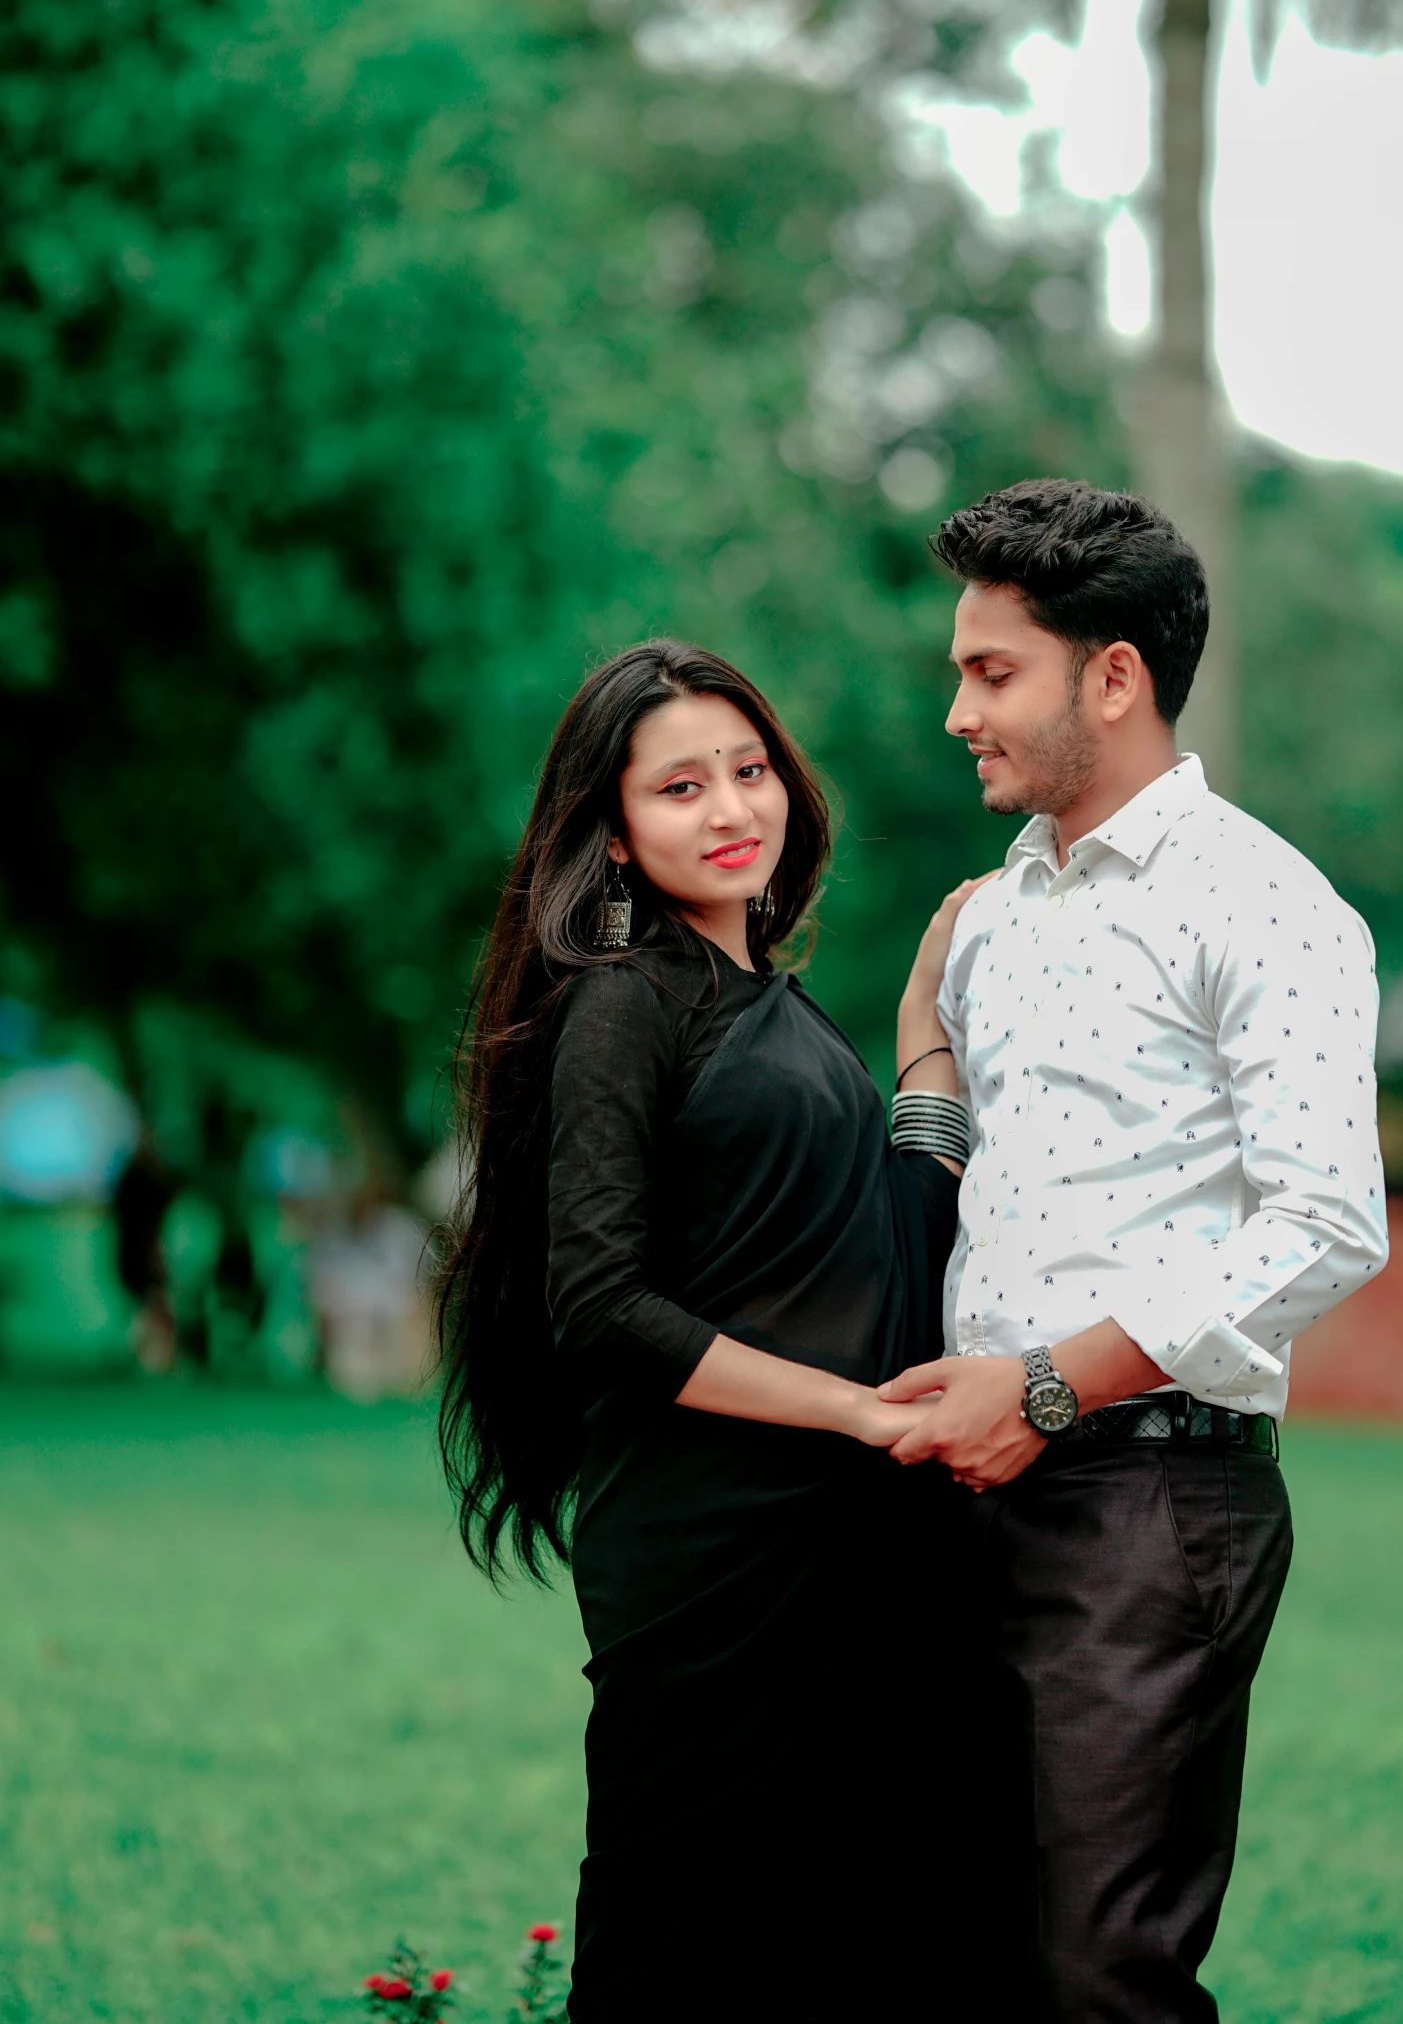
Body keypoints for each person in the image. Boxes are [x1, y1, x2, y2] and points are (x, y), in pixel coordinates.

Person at [434, 639, 1026, 2022]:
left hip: (838, 1548)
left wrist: (919, 1032)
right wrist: (853, 1411)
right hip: (710, 1557)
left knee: (833, 1945)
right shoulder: (623, 1002)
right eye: (679, 785)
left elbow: (889, 1229)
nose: (728, 808)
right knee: (679, 1948)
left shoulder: (771, 1006)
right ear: (615, 833)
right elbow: (601, 1302)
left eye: (747, 769)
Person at [882, 479, 1390, 2023]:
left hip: (1144, 1502)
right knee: (953, 1951)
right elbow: (971, 1171)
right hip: (964, 1489)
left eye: (990, 671)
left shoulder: (1267, 903)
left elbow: (1324, 1224)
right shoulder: (992, 911)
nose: (956, 708)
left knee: (1099, 1980)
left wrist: (1042, 1390)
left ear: (1112, 674)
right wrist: (921, 1044)